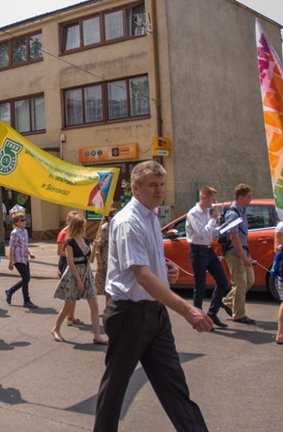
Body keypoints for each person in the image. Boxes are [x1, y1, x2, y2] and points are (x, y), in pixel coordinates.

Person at [93, 161, 213, 432]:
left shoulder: (150, 216)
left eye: (162, 185)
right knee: (114, 390)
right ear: (135, 189)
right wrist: (187, 309)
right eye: (152, 185)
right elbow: (142, 275)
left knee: (175, 388)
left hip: (154, 313)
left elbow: (148, 268)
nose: (159, 191)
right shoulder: (128, 221)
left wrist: (165, 268)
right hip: (129, 314)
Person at [50, 213, 107, 345]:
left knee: (94, 303)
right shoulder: (69, 242)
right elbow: (70, 262)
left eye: (85, 226)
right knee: (69, 305)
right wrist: (79, 280)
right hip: (74, 274)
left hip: (86, 273)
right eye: (82, 226)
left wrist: (95, 249)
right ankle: (56, 328)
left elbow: (90, 260)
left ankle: (97, 336)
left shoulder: (85, 240)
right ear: (77, 226)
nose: (84, 229)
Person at [185, 186, 230, 328]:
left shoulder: (206, 212)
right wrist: (213, 220)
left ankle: (212, 313)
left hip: (209, 249)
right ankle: (197, 318)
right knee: (200, 285)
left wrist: (221, 228)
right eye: (212, 199)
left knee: (222, 281)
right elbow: (201, 233)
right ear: (204, 197)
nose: (214, 202)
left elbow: (210, 233)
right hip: (197, 250)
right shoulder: (194, 213)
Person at [221, 183, 255, 324]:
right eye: (248, 197)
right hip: (234, 253)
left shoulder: (242, 210)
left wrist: (247, 255)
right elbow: (234, 237)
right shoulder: (233, 213)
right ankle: (239, 314)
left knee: (250, 280)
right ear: (241, 197)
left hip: (242, 251)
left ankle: (227, 301)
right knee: (240, 284)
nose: (250, 199)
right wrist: (243, 256)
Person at [6, 213, 37, 309]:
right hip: (18, 258)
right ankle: (26, 301)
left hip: (24, 258)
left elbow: (24, 245)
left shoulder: (25, 231)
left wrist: (29, 253)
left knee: (27, 278)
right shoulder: (14, 233)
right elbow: (12, 248)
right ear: (16, 222)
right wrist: (10, 262)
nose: (24, 221)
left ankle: (10, 291)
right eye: (22, 220)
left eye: (24, 219)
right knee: (26, 277)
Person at [57, 211, 83, 326]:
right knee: (70, 293)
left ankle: (71, 317)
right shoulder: (64, 233)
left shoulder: (75, 233)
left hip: (74, 263)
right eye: (73, 220)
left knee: (74, 292)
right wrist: (71, 255)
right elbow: (59, 251)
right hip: (65, 264)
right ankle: (65, 319)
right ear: (68, 220)